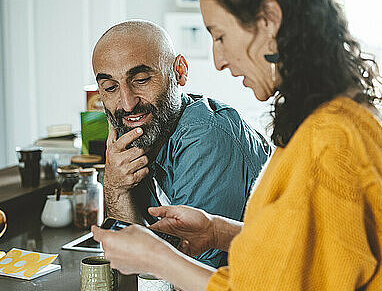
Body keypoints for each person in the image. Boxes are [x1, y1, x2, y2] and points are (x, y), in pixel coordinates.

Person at [92, 0, 382, 291]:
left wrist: (160, 259)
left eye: (220, 36)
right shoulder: (335, 120)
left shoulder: (331, 139)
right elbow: (308, 263)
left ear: (268, 20)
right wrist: (219, 232)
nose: (218, 60)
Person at [92, 19, 271, 268]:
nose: (127, 103)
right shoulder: (143, 135)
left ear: (179, 72)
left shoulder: (204, 136)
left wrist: (114, 188)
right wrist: (115, 188)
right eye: (110, 87)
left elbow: (185, 273)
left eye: (141, 80)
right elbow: (126, 258)